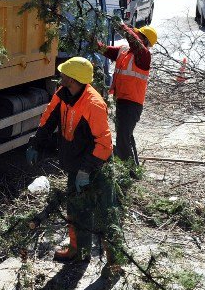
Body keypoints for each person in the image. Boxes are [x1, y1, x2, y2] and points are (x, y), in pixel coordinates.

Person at [26, 57, 113, 263]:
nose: (60, 76)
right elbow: (48, 120)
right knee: (75, 210)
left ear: (73, 79)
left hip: (95, 167)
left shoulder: (93, 104)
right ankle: (78, 251)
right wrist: (35, 143)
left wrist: (86, 170)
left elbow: (104, 144)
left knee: (105, 214)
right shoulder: (63, 94)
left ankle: (114, 261)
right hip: (76, 166)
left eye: (64, 73)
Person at [100, 23, 156, 164]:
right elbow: (104, 49)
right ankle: (134, 167)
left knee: (123, 138)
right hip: (122, 100)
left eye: (139, 35)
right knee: (126, 136)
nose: (135, 36)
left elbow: (134, 42)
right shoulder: (124, 50)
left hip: (132, 104)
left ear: (144, 41)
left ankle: (128, 170)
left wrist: (123, 27)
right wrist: (90, 39)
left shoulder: (144, 56)